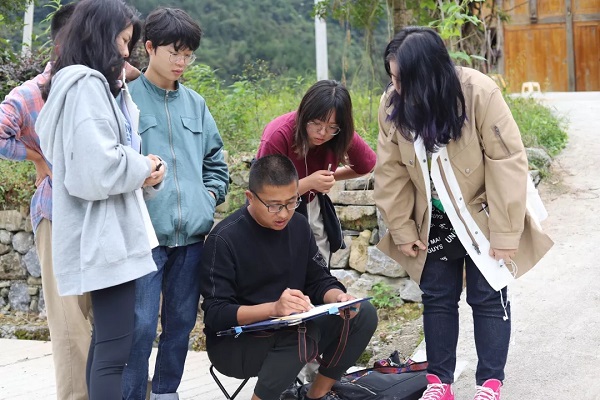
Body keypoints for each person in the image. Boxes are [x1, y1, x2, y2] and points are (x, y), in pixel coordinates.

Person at [374, 27, 553, 400]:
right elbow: (390, 171)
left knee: (487, 296)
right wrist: (402, 228)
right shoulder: (393, 104)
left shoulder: (478, 93)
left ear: (428, 73)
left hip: (482, 212)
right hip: (435, 217)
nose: (396, 88)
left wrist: (506, 232)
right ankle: (439, 383)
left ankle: (489, 383)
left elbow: (506, 162)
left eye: (402, 79)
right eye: (392, 78)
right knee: (437, 296)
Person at [35, 0, 165, 398]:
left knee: (106, 348)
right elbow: (98, 171)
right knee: (113, 352)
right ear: (99, 36)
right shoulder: (87, 86)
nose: (126, 51)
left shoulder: (77, 85)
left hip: (97, 232)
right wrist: (143, 165)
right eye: (122, 40)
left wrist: (141, 170)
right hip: (104, 235)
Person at [200, 154, 378, 400]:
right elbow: (216, 314)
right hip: (236, 343)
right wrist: (274, 309)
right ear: (250, 197)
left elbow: (318, 280)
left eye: (292, 202)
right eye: (274, 205)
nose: (283, 214)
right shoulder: (224, 238)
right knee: (301, 333)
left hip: (293, 329)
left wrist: (339, 298)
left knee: (362, 314)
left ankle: (317, 394)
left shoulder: (299, 225)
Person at [122, 7, 229, 400]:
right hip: (144, 235)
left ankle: (167, 392)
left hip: (191, 239)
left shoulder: (196, 104)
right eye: (174, 52)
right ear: (150, 47)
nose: (182, 61)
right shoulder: (127, 100)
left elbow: (215, 161)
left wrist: (209, 197)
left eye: (188, 55)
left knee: (181, 324)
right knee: (139, 327)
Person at [0, 5, 87, 400]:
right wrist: (35, 157)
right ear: (61, 43)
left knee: (98, 317)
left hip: (99, 214)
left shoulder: (102, 89)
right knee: (69, 321)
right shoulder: (32, 92)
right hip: (56, 213)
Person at [256, 80, 376, 265]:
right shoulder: (278, 134)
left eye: (332, 127)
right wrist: (309, 183)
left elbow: (366, 165)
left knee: (319, 265)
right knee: (281, 265)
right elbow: (264, 194)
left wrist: (327, 178)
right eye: (316, 123)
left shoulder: (340, 133)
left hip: (313, 204)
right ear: (304, 114)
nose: (322, 132)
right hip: (276, 210)